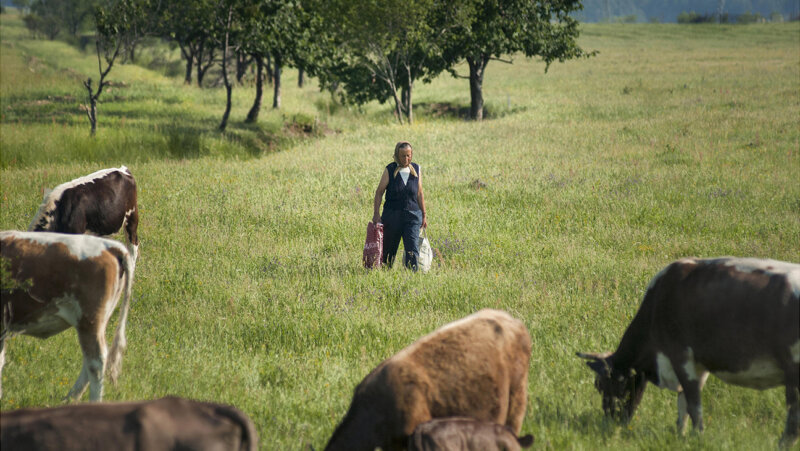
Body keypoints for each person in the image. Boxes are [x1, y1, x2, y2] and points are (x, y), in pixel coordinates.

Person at [372, 141, 427, 270]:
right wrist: (376, 214)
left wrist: (424, 215)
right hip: (392, 217)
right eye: (403, 156)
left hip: (413, 217)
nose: (406, 159)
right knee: (388, 253)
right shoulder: (390, 170)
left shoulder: (417, 169)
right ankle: (385, 274)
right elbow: (379, 192)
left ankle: (411, 277)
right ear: (397, 155)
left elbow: (419, 193)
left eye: (409, 155)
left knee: (412, 250)